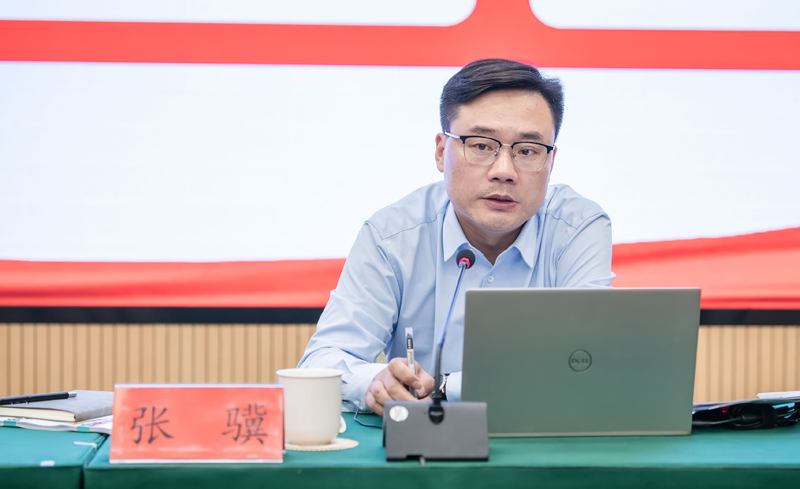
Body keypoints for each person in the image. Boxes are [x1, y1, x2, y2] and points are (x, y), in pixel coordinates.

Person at [298, 58, 615, 415]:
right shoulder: (392, 237)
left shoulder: (577, 228)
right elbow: (321, 364)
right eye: (481, 146)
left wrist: (445, 387)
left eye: (527, 151)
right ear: (441, 152)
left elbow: (589, 360)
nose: (504, 171)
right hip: (424, 443)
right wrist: (376, 382)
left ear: (551, 162)